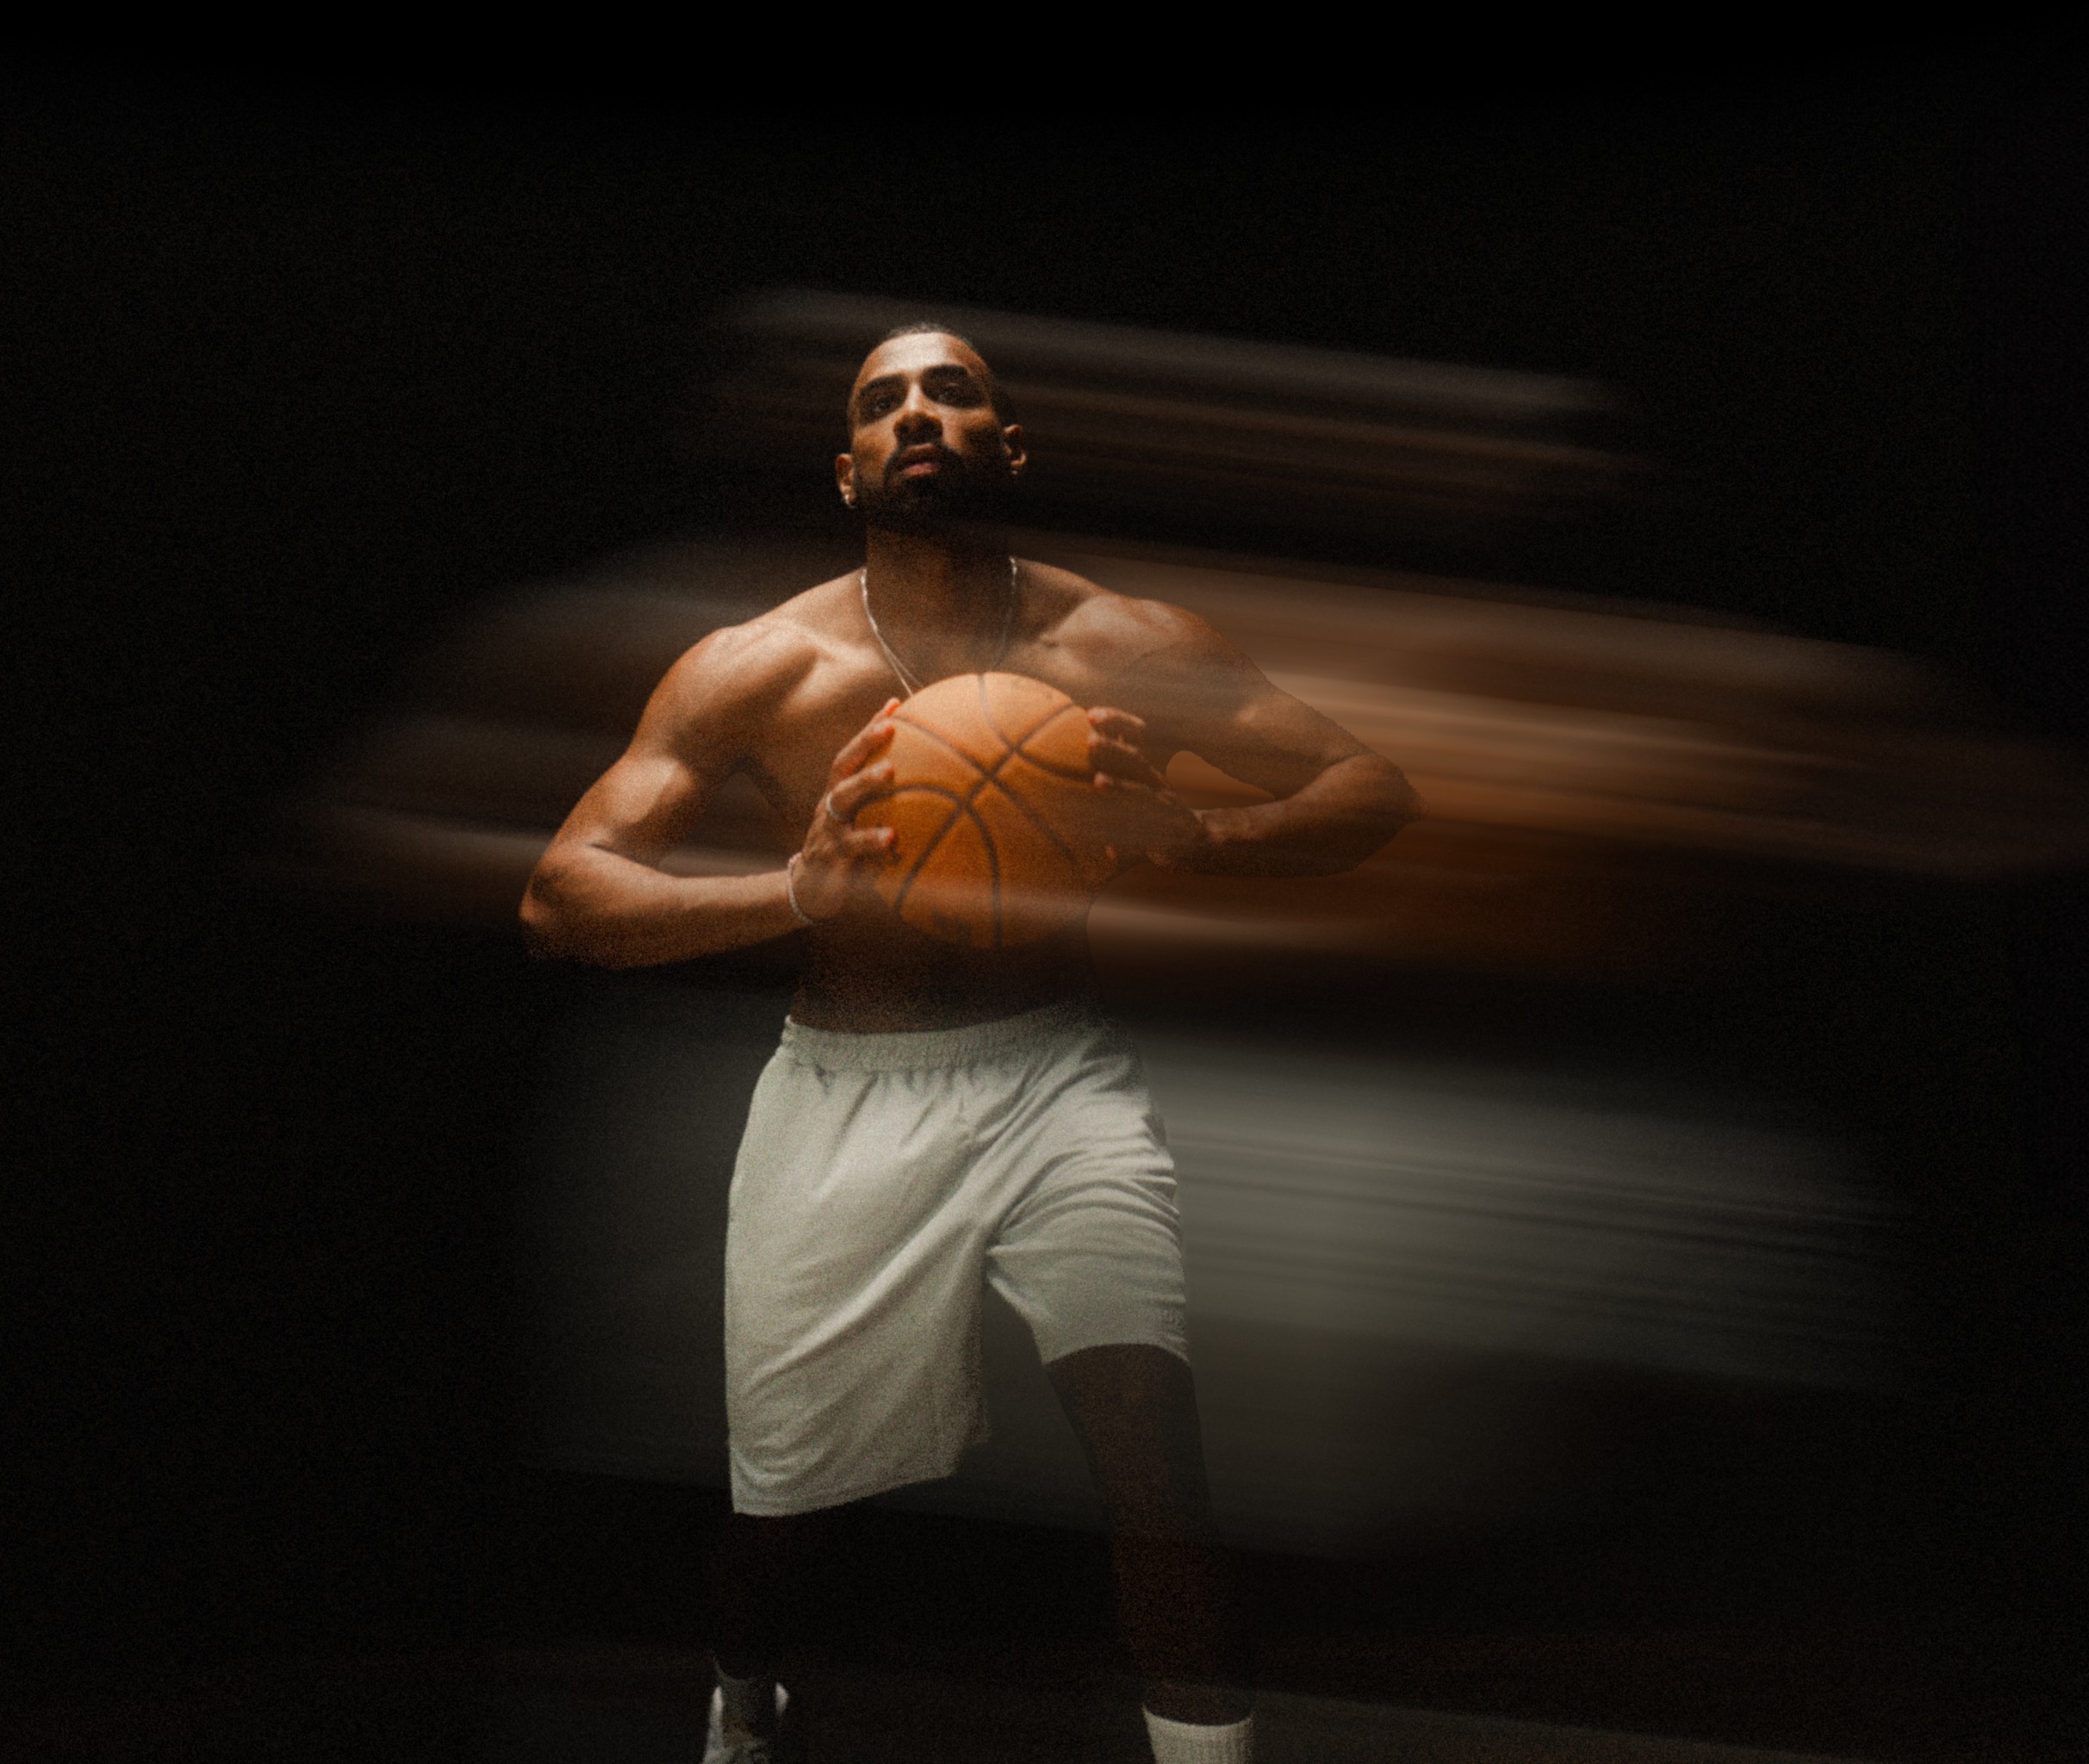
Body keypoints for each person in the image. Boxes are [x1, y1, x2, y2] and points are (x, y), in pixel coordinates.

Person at [521, 322, 1421, 1764]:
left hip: (1055, 1076)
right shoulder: (758, 667)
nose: (918, 415)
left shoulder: (1122, 642)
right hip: (847, 1093)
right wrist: (800, 893)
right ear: (847, 469)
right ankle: (742, 1713)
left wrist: (1194, 833)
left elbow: (1366, 787)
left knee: (1153, 1456)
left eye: (954, 391)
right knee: (780, 1518)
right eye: (883, 401)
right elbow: (562, 898)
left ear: (1012, 445)